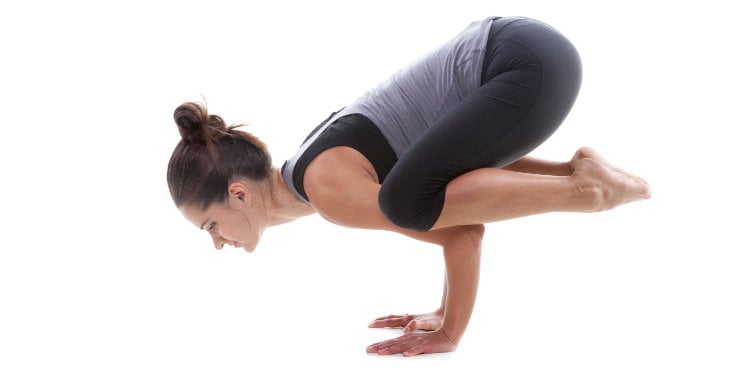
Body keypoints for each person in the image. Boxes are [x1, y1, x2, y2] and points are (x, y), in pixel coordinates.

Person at [166, 16, 651, 357]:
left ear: (238, 194)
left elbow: (464, 232)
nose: (216, 241)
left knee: (405, 201)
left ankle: (588, 191)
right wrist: (442, 309)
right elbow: (457, 185)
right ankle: (578, 173)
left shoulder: (328, 191)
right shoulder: (312, 171)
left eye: (209, 224)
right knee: (414, 193)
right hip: (528, 53)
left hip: (523, 65)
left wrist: (450, 333)